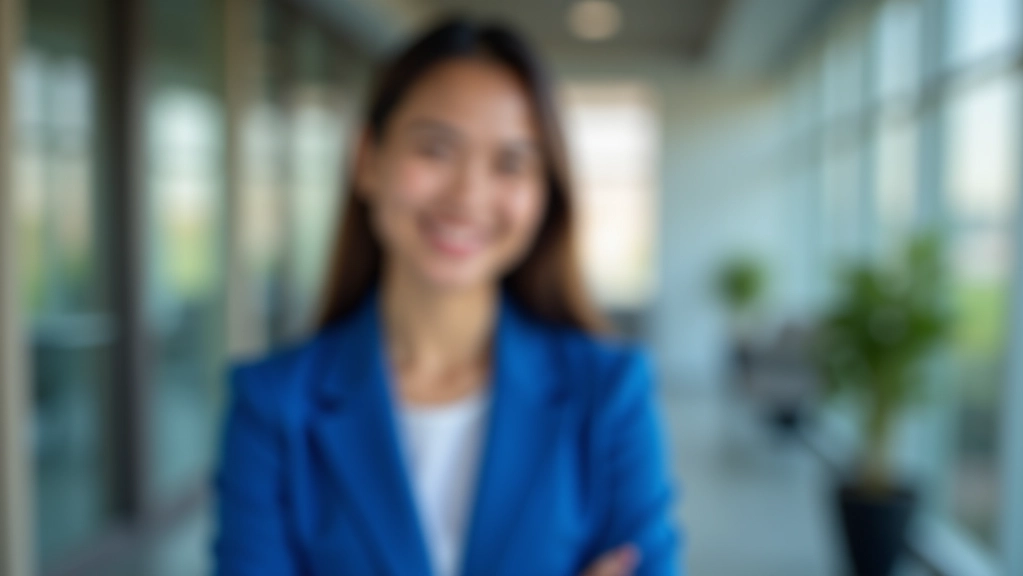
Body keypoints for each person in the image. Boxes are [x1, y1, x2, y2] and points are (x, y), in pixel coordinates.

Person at [213, 15, 681, 576]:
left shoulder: (609, 395)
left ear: (543, 193)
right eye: (435, 149)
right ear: (367, 160)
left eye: (510, 162)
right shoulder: (272, 405)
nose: (468, 194)